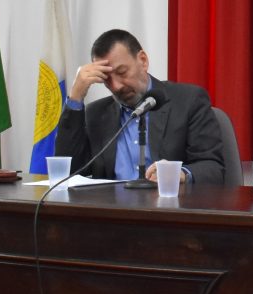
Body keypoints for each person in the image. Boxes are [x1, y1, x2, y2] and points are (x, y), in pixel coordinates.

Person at [54, 28, 224, 186]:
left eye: (121, 73)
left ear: (143, 61)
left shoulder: (188, 101)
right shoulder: (97, 113)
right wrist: (75, 98)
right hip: (111, 211)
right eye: (106, 78)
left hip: (169, 210)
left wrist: (181, 174)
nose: (116, 86)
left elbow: (213, 168)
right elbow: (67, 172)